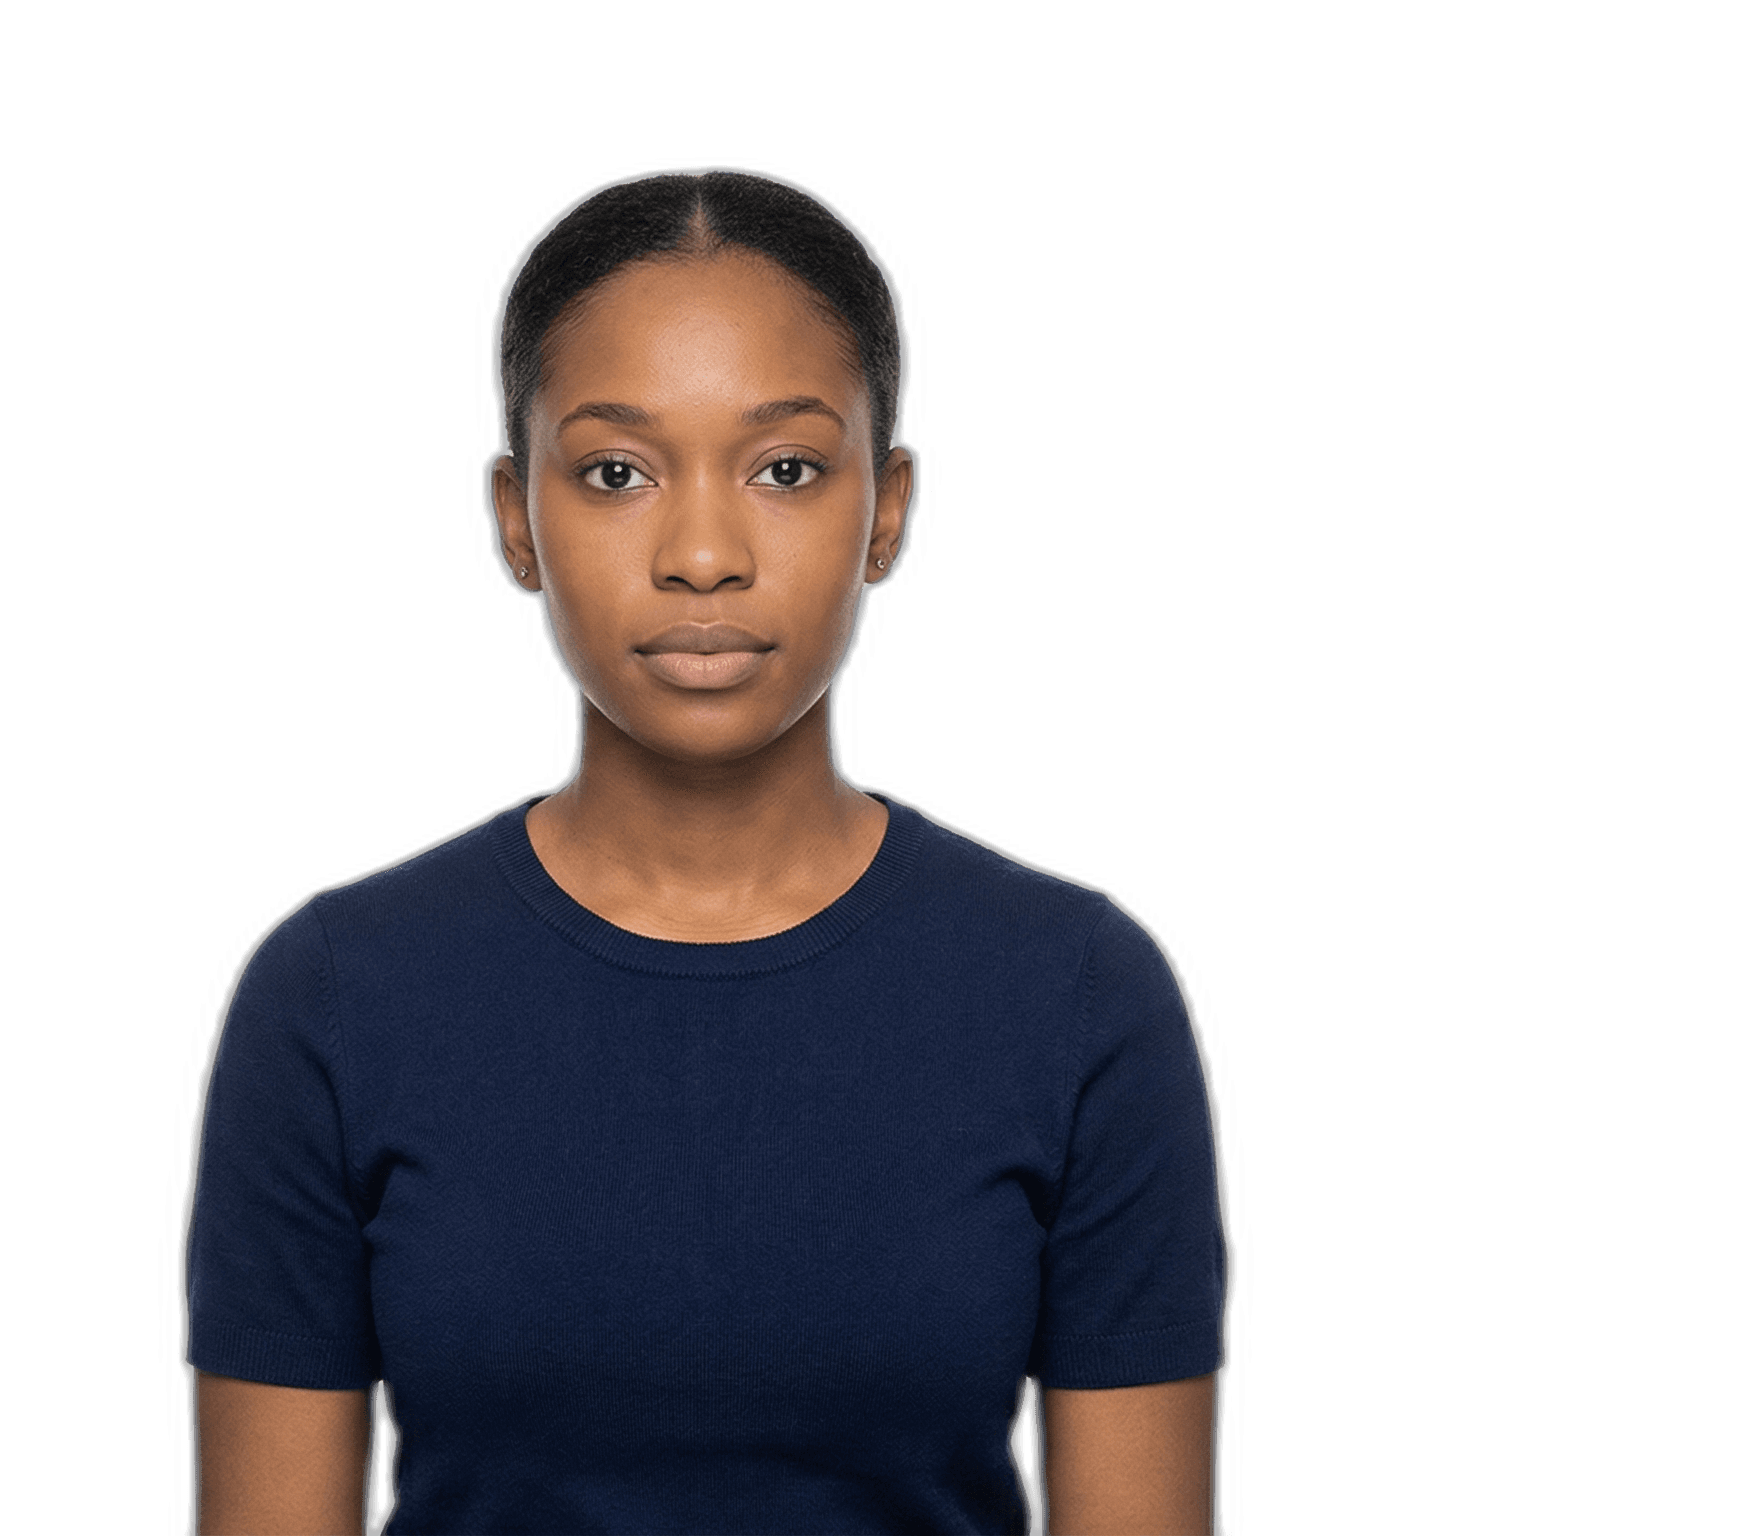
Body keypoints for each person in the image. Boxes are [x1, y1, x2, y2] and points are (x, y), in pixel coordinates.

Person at [179, 162, 1231, 1535]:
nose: (702, 553)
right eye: (617, 471)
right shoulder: (330, 996)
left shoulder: (1081, 992)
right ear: (512, 516)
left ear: (892, 508)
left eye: (785, 468)